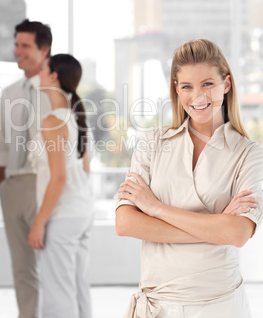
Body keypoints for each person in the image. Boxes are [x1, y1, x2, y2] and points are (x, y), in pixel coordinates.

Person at [115, 38, 263, 318]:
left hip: (220, 305)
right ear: (176, 89)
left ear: (226, 85)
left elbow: (237, 233)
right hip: (158, 305)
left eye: (208, 84)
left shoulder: (249, 154)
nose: (198, 96)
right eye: (187, 86)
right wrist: (214, 226)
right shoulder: (152, 143)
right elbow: (124, 223)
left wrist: (156, 209)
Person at [0, 18, 52, 318]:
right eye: (16, 45)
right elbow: (2, 144)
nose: (18, 51)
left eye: (25, 46)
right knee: (21, 267)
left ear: (44, 50)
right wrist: (3, 184)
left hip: (44, 186)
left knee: (53, 267)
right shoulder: (9, 93)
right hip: (14, 187)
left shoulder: (56, 92)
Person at [28, 53, 94, 318]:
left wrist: (39, 222)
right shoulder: (76, 117)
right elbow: (84, 168)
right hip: (81, 212)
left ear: (54, 76)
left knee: (58, 294)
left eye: (43, 69)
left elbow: (59, 178)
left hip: (62, 216)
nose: (39, 73)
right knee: (79, 288)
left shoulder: (53, 122)